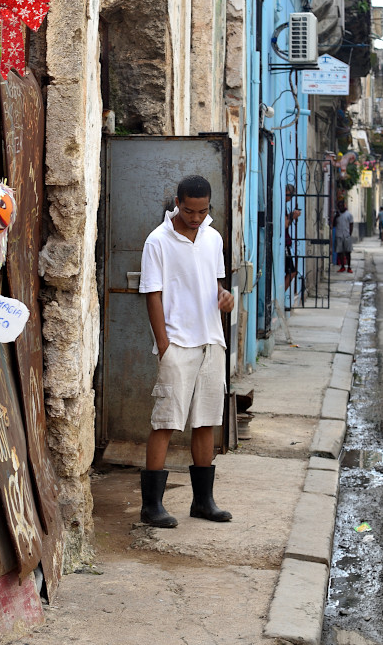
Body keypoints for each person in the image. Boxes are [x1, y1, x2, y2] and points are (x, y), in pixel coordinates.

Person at [138, 175, 236, 528]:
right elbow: (152, 293)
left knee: (206, 420)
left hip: (212, 340)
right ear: (177, 203)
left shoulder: (213, 238)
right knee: (166, 421)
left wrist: (225, 298)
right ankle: (152, 506)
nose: (196, 217)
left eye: (203, 210)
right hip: (177, 344)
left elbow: (215, 284)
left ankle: (203, 502)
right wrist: (163, 344)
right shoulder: (157, 241)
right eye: (189, 210)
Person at [284, 184, 301, 296]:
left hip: (285, 243)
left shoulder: (283, 205)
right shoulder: (281, 204)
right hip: (284, 244)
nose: (290, 199)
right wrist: (291, 217)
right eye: (289, 195)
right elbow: (284, 225)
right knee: (292, 272)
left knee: (292, 272)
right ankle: (279, 296)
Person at [335, 201, 354, 273]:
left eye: (341, 206)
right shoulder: (337, 215)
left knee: (348, 252)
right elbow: (333, 224)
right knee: (340, 252)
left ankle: (349, 267)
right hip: (339, 235)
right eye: (339, 206)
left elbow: (351, 224)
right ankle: (342, 267)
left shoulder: (349, 214)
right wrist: (335, 217)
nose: (340, 207)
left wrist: (350, 234)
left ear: (344, 206)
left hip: (346, 235)